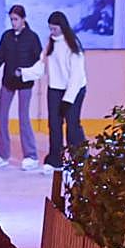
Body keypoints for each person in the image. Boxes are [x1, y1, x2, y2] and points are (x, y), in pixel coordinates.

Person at [0, 5, 41, 171]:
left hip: (25, 83)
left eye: (16, 19)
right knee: (2, 117)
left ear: (23, 19)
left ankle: (31, 155)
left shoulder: (32, 38)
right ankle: (2, 154)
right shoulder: (7, 37)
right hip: (8, 82)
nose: (13, 22)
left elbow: (39, 61)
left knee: (23, 118)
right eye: (11, 19)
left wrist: (27, 72)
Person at [22, 11, 87, 174]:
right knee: (54, 125)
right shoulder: (50, 43)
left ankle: (78, 159)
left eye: (55, 29)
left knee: (72, 125)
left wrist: (68, 99)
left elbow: (76, 76)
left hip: (74, 90)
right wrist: (23, 72)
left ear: (62, 27)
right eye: (50, 29)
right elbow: (41, 65)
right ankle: (55, 160)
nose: (52, 32)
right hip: (55, 89)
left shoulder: (73, 45)